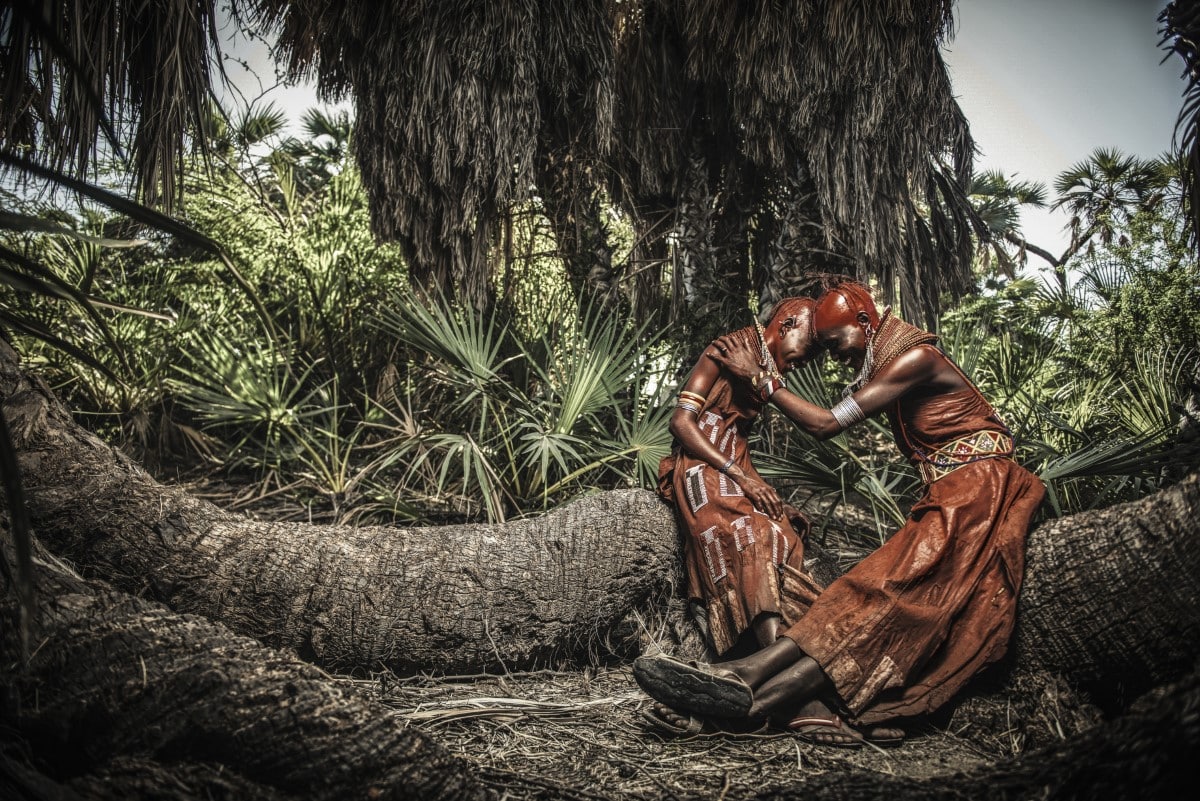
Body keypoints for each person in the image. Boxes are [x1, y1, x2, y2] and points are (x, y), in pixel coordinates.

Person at [635, 280, 1046, 747]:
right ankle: (744, 680)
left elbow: (826, 424)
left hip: (979, 489)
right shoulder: (894, 359)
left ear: (866, 323)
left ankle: (745, 695)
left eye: (835, 345)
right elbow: (685, 421)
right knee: (867, 590)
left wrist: (762, 380)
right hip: (954, 492)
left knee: (885, 595)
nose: (834, 358)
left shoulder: (916, 358)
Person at [657, 298, 825, 662]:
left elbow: (737, 440)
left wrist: (763, 489)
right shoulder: (728, 349)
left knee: (787, 533)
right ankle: (769, 656)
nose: (805, 362)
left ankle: (783, 644)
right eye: (806, 349)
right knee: (753, 533)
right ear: (786, 325)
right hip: (701, 466)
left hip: (736, 466)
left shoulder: (764, 368)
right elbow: (681, 423)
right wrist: (738, 476)